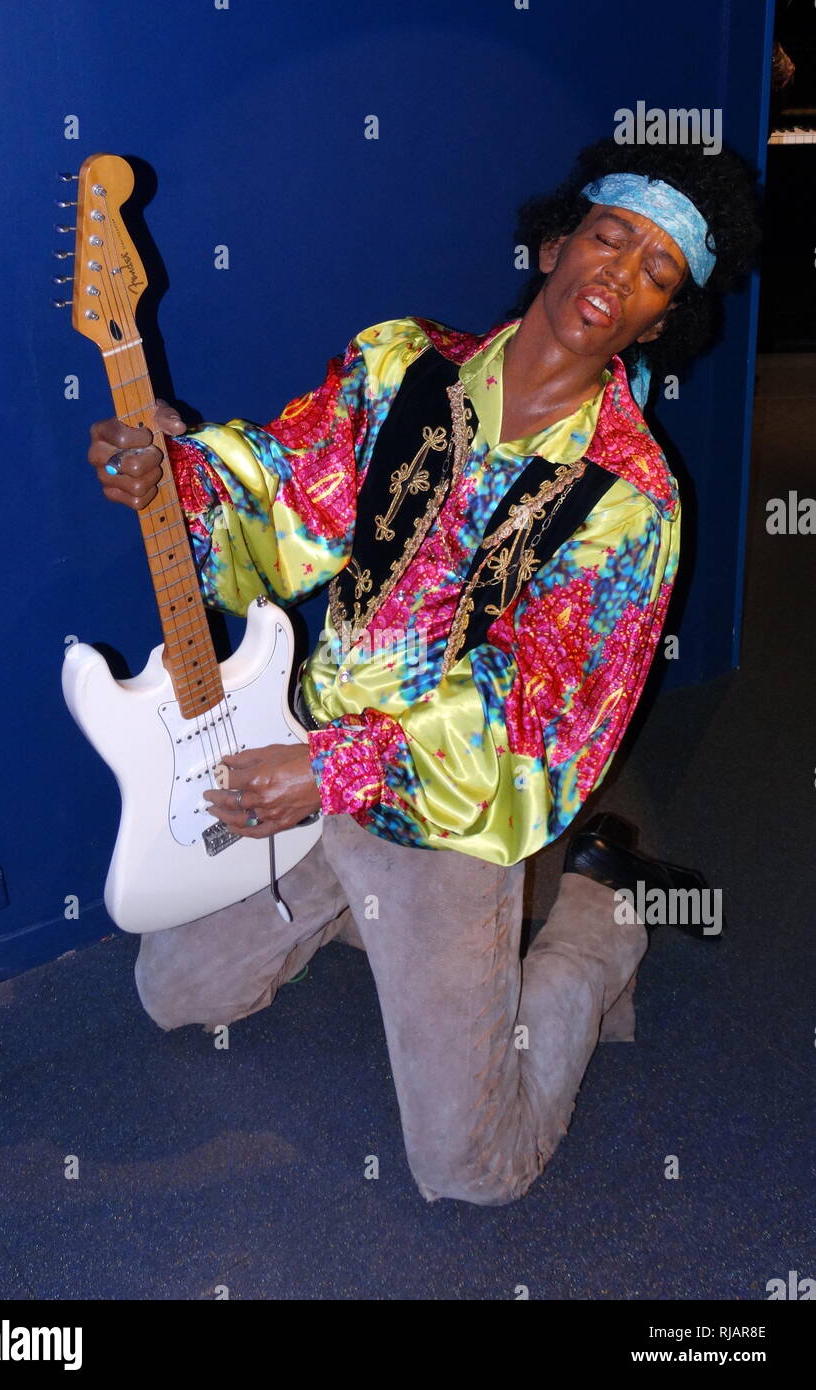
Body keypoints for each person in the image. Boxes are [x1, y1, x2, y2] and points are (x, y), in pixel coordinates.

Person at [86, 136, 760, 1205]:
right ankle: (362, 917)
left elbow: (541, 713)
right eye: (610, 236)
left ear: (661, 321)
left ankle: (601, 916)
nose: (620, 273)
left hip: (447, 812)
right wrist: (176, 472)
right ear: (555, 243)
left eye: (657, 271)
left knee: (470, 1172)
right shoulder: (402, 364)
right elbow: (287, 497)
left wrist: (335, 771)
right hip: (308, 760)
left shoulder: (633, 501)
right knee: (172, 993)